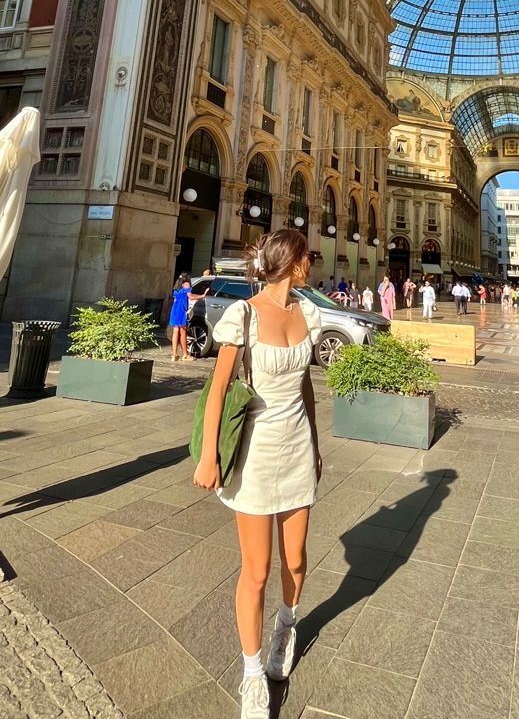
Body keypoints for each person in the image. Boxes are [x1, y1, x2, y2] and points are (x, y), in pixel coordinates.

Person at [193, 229, 322, 719]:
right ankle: (251, 674)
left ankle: (286, 627)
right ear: (293, 262)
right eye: (308, 254)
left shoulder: (306, 312)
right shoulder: (242, 315)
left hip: (297, 449)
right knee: (257, 570)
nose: (312, 261)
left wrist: (315, 445)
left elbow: (305, 384)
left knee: (294, 560)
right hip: (255, 452)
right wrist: (209, 457)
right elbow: (220, 389)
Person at [168, 275, 195, 362]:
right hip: (181, 310)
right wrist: (202, 296)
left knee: (175, 331)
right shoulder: (186, 285)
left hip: (175, 310)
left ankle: (174, 354)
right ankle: (185, 355)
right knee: (183, 332)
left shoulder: (176, 288)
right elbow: (191, 296)